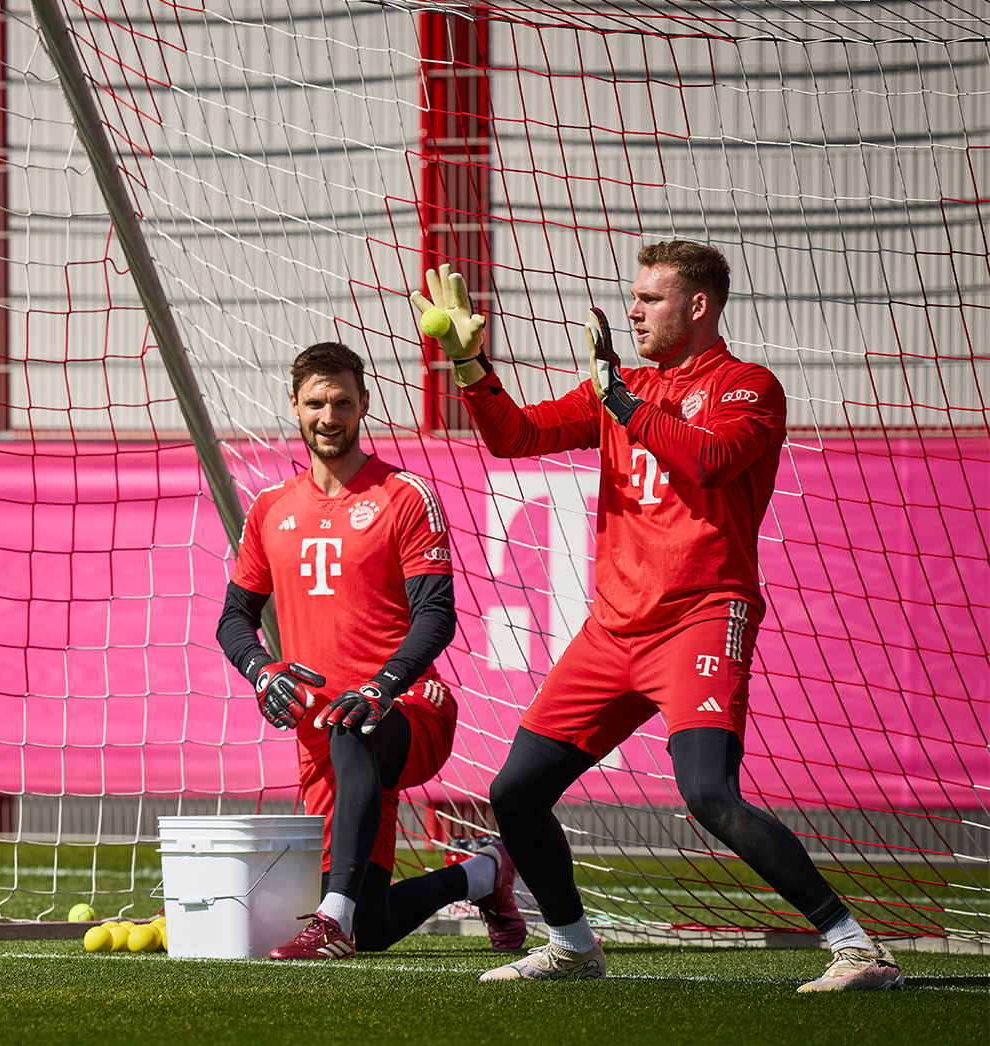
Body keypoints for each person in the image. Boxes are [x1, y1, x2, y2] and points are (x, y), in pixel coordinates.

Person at [411, 242, 902, 991]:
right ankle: (574, 946)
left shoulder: (748, 387)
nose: (631, 310)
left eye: (651, 298)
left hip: (703, 616)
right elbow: (515, 439)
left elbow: (708, 461)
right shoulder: (622, 387)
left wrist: (624, 403)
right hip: (614, 629)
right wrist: (469, 365)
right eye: (633, 297)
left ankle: (858, 947)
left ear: (699, 306)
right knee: (514, 792)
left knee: (707, 794)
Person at [217, 341, 526, 960]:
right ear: (295, 406)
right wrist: (261, 673)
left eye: (340, 402)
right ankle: (487, 875)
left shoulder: (403, 495)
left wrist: (381, 687)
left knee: (353, 734)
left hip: (407, 708)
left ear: (364, 405)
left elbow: (436, 618)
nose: (328, 416)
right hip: (323, 727)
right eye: (315, 403)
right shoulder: (270, 508)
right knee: (375, 926)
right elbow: (233, 620)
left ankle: (328, 921)